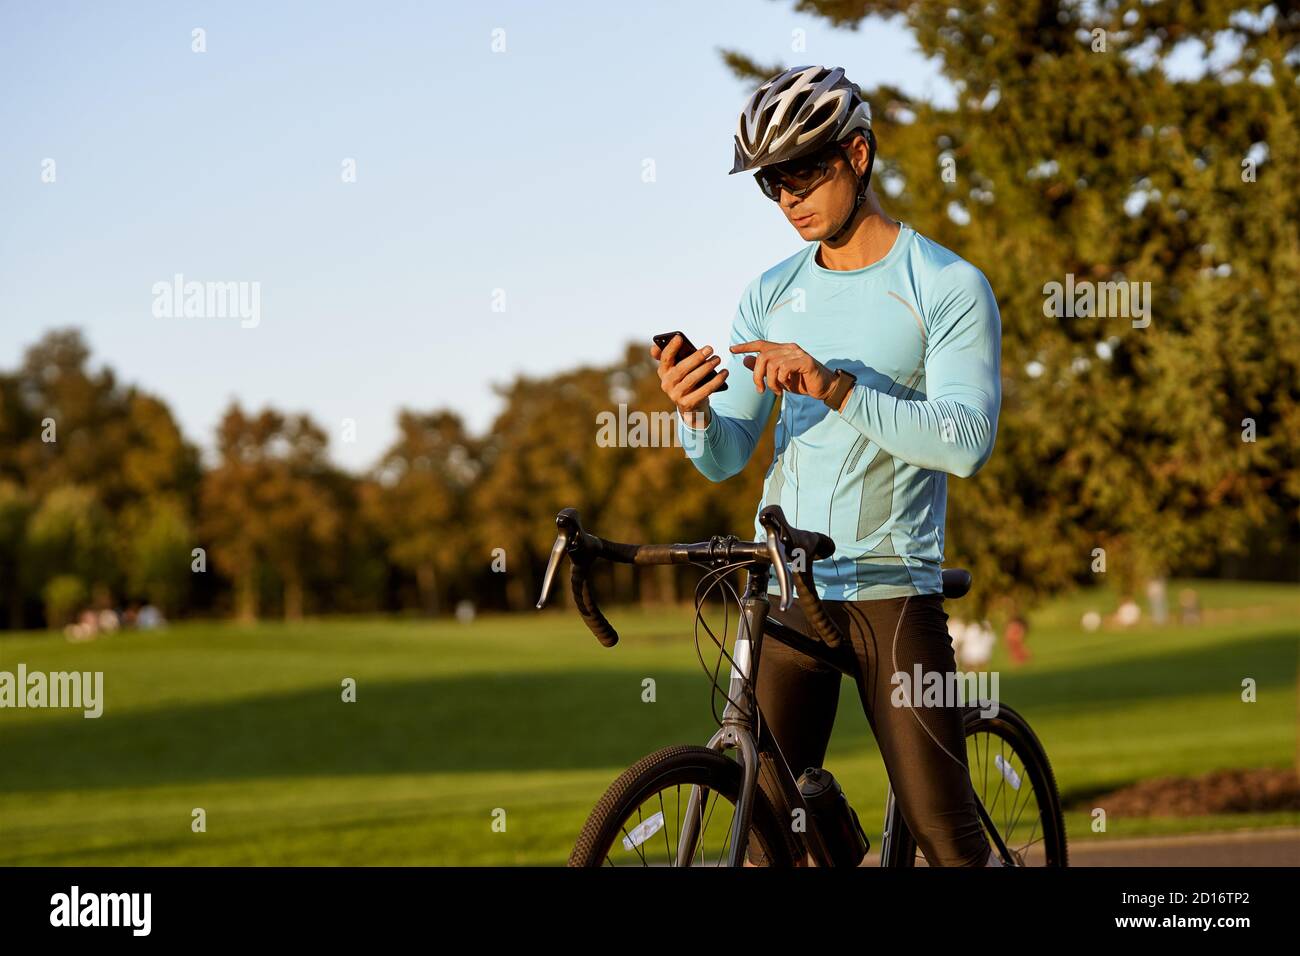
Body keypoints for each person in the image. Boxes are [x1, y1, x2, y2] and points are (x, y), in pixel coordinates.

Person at [652, 65, 1003, 867]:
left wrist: (833, 386)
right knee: (769, 836)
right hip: (790, 591)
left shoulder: (944, 284)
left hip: (892, 590)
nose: (787, 197)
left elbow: (963, 441)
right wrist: (694, 412)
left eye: (803, 170)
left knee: (947, 840)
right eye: (771, 182)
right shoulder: (769, 293)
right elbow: (726, 455)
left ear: (859, 153)